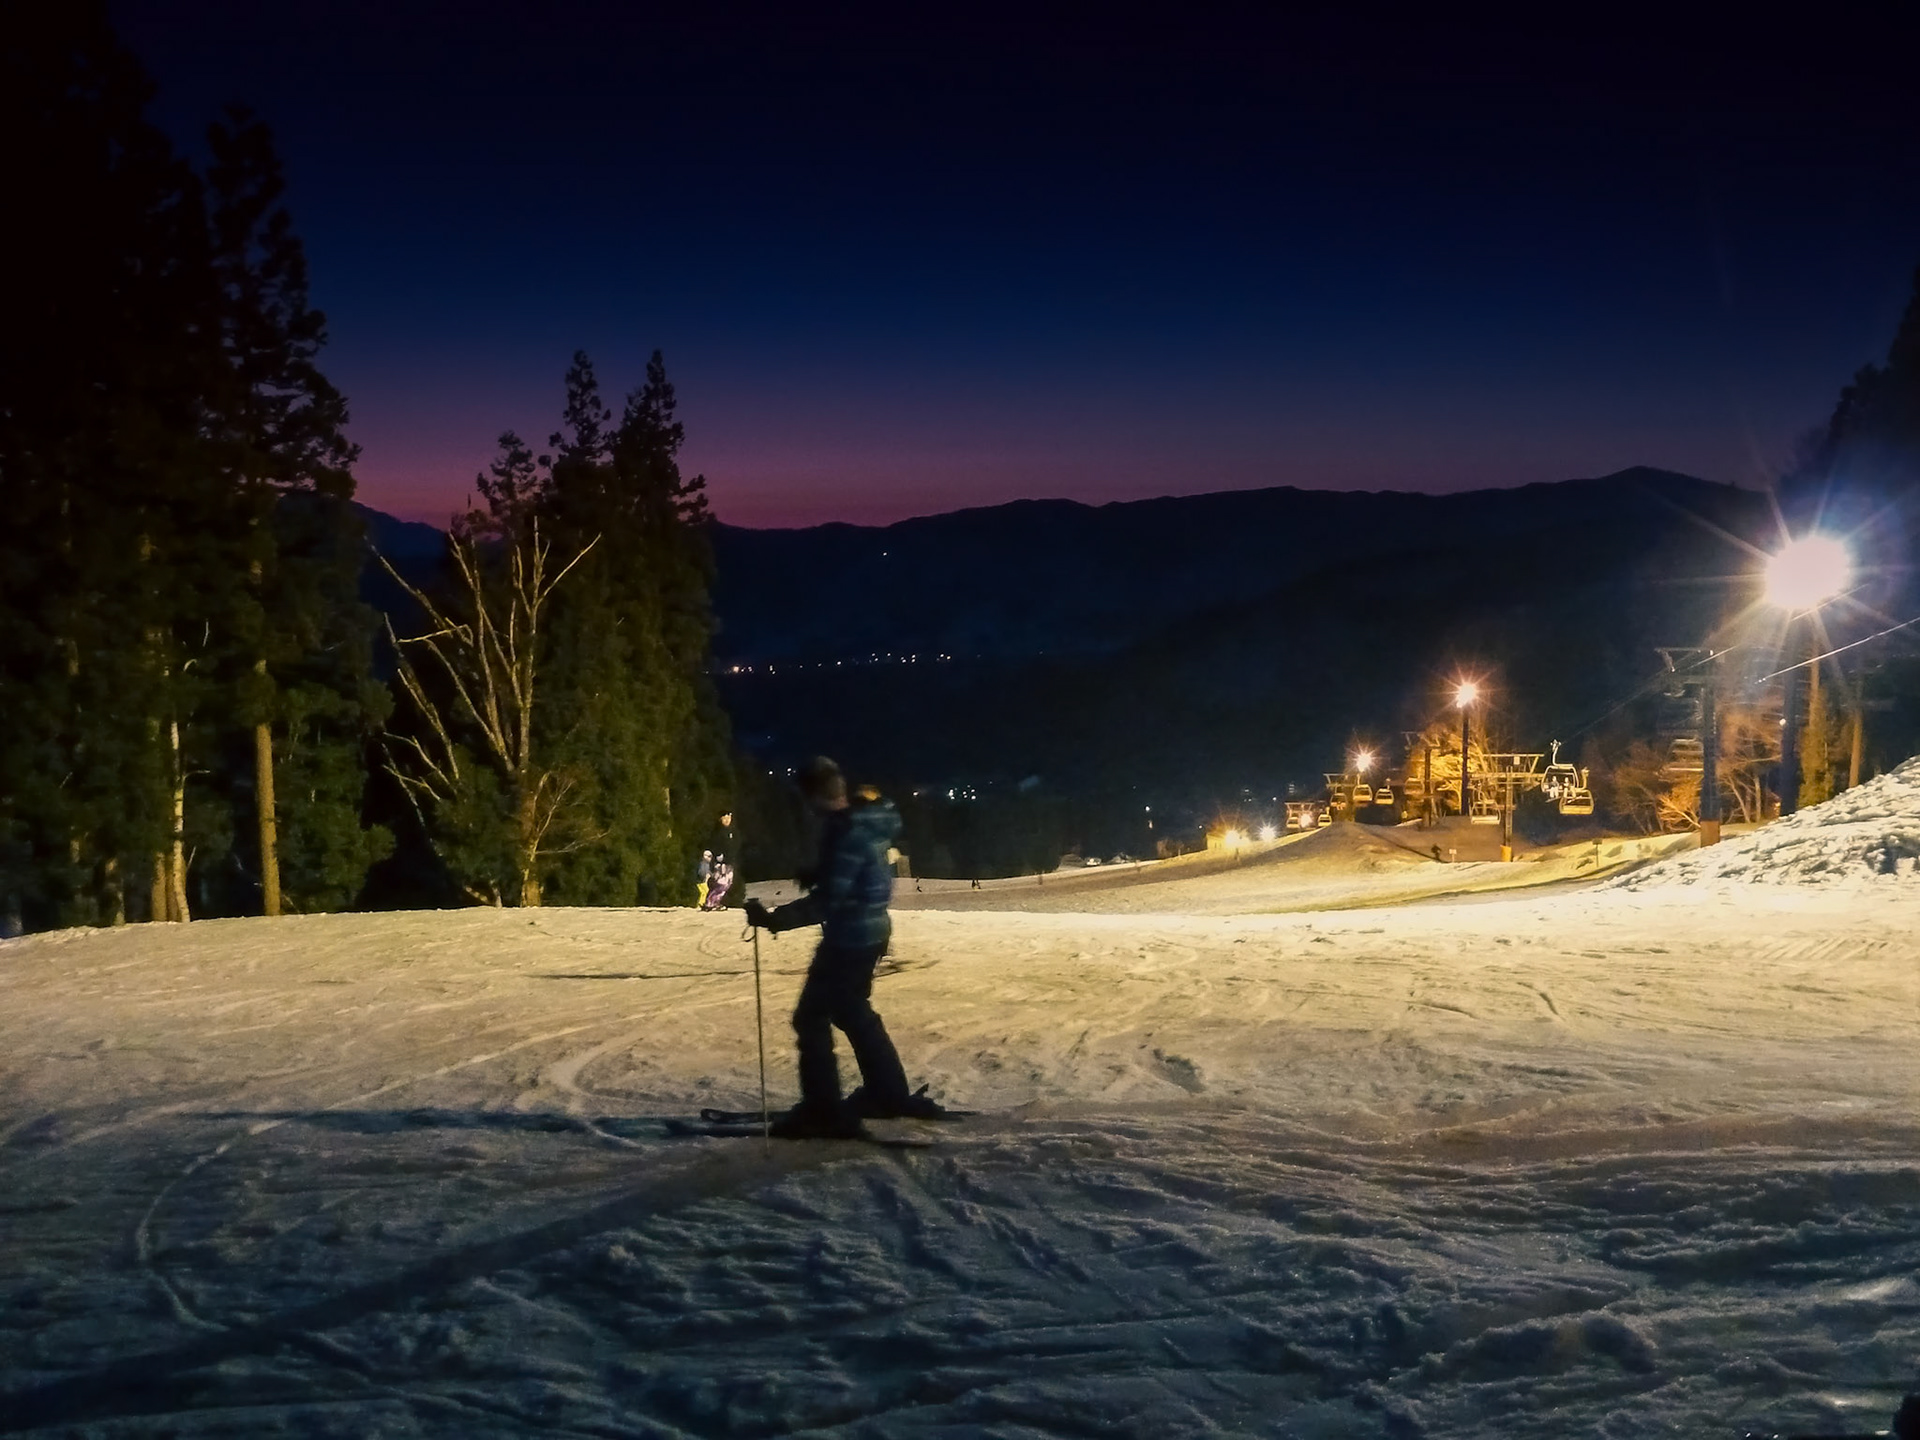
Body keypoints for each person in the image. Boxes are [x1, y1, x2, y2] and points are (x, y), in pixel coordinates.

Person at [744, 757, 943, 1137]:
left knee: (811, 1017)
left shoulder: (847, 832)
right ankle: (886, 1093)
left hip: (850, 938)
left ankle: (823, 1110)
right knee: (852, 1011)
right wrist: (820, 874)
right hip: (869, 932)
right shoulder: (864, 820)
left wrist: (773, 919)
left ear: (813, 797)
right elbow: (855, 873)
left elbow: (830, 900)